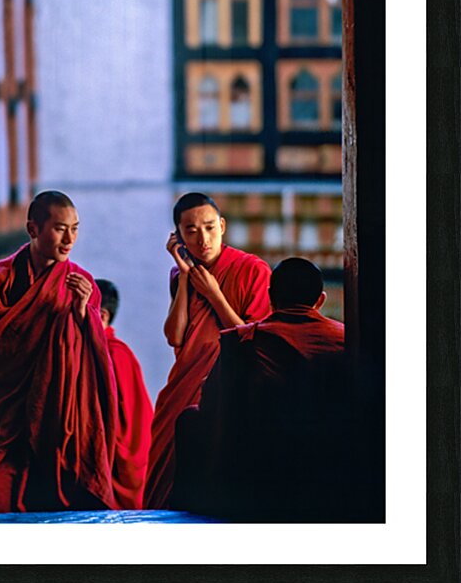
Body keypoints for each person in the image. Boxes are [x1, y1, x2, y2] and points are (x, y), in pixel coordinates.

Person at [0, 190, 118, 514]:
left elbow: (91, 359)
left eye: (75, 228)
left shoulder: (82, 285)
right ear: (33, 229)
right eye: (60, 228)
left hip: (52, 419)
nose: (69, 239)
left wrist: (82, 313)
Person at [171, 257, 347, 520]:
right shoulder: (346, 338)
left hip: (258, 468)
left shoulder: (246, 340)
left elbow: (211, 403)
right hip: (333, 466)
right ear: (320, 301)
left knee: (189, 419)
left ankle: (195, 511)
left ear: (270, 297)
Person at [143, 192, 271, 509]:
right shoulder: (179, 273)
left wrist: (214, 294)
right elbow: (175, 336)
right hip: (185, 384)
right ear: (178, 236)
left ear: (223, 226)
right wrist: (186, 278)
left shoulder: (252, 270)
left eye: (210, 227)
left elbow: (254, 340)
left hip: (230, 388)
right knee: (166, 466)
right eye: (192, 231)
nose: (203, 239)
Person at [96, 278, 154, 510]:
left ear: (102, 316)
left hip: (119, 466)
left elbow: (122, 423)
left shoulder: (113, 355)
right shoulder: (106, 351)